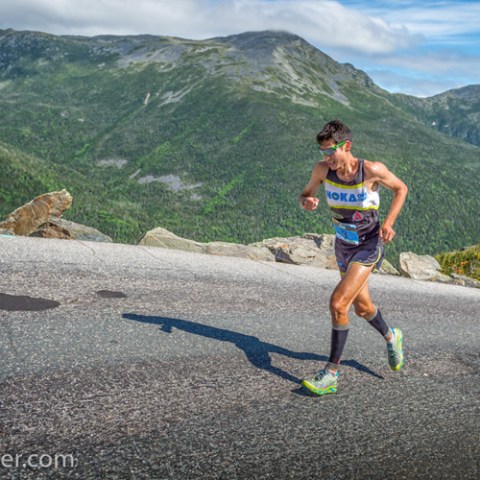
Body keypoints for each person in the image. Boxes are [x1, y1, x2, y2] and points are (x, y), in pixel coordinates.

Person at [299, 119, 408, 395]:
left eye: (330, 151)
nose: (326, 157)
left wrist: (389, 222)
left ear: (346, 146)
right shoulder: (323, 170)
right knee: (362, 308)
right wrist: (307, 201)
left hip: (368, 246)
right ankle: (391, 336)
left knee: (338, 303)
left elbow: (401, 189)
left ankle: (331, 373)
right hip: (343, 246)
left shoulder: (371, 169)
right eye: (322, 151)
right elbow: (306, 194)